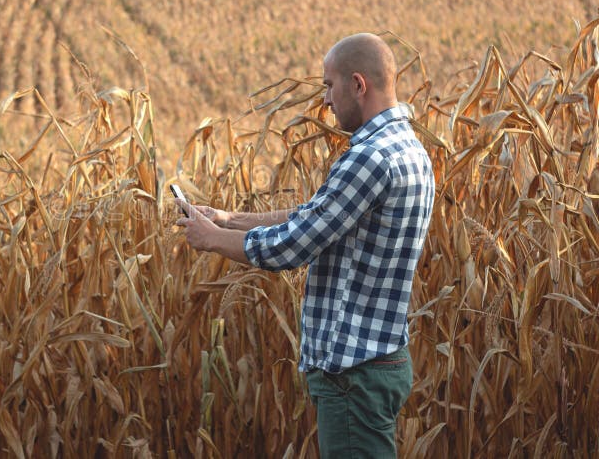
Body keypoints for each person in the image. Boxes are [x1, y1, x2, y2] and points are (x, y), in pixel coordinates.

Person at [175, 33, 436, 458]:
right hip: (376, 361)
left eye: (329, 86)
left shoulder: (369, 158)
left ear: (358, 84)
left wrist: (212, 240)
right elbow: (318, 217)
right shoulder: (408, 148)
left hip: (354, 372)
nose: (326, 101)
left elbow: (294, 246)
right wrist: (228, 219)